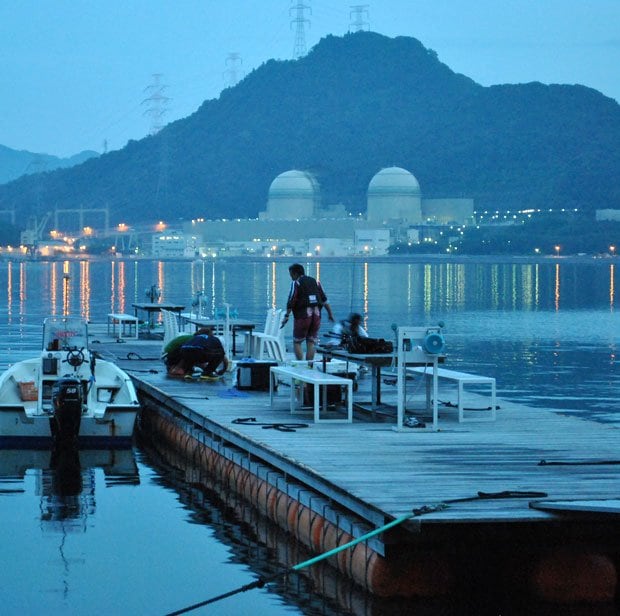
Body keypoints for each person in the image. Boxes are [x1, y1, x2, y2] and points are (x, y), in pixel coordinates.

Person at [282, 263, 334, 361]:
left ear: (295, 274)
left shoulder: (296, 283)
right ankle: (309, 366)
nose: (291, 278)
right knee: (311, 342)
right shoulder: (316, 282)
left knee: (297, 342)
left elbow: (292, 299)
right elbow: (324, 299)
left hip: (303, 316)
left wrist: (287, 315)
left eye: (291, 275)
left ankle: (300, 365)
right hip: (317, 315)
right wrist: (330, 314)